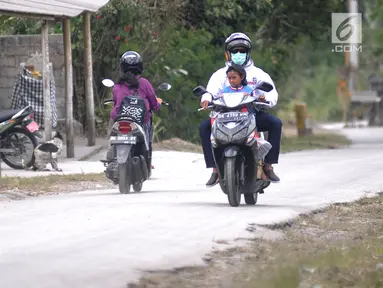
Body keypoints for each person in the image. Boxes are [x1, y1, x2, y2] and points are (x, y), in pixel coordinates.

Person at [199, 32, 282, 187]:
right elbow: (210, 92)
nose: (238, 54)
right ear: (228, 53)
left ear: (248, 52)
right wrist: (206, 99)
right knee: (204, 127)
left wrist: (265, 99)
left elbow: (271, 93)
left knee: (275, 123)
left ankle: (268, 165)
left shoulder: (258, 74)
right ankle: (215, 169)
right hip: (223, 115)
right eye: (235, 51)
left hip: (251, 114)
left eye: (242, 51)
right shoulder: (219, 75)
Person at [104, 51, 162, 177]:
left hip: (120, 119)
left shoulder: (117, 86)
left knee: (112, 136)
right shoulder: (145, 83)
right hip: (140, 121)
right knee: (146, 139)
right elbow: (153, 103)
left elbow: (116, 103)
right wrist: (158, 105)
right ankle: (146, 162)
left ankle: (113, 155)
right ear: (140, 66)